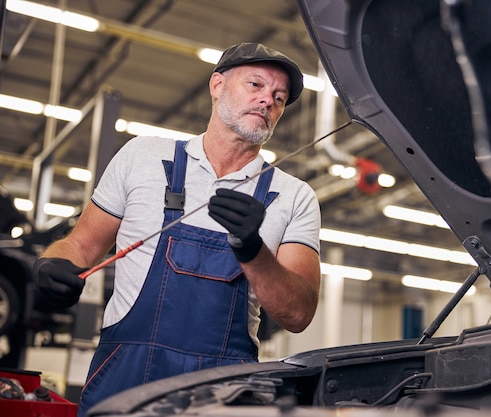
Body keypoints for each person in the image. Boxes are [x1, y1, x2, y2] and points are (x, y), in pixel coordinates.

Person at [31, 42, 321, 415]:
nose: (268, 101)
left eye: (279, 97)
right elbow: (81, 246)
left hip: (224, 392)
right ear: (217, 85)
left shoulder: (294, 196)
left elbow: (298, 314)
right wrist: (52, 264)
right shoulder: (143, 157)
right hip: (126, 375)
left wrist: (254, 251)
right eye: (256, 85)